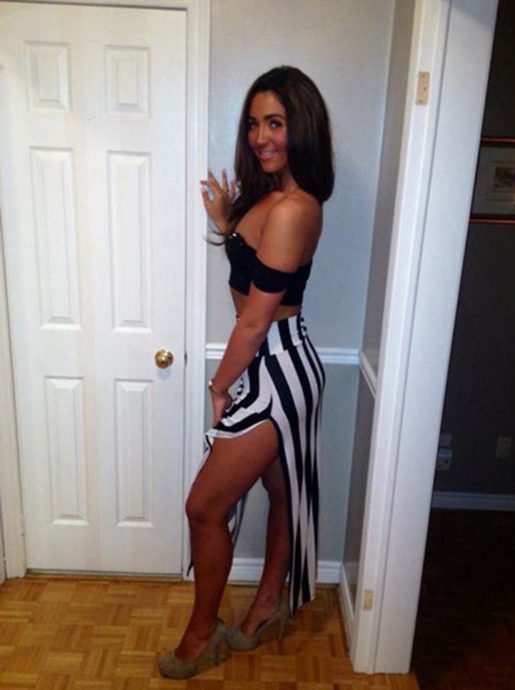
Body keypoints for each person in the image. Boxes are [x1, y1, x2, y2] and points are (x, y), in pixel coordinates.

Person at [158, 65, 334, 680]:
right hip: (272, 361)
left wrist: (219, 385)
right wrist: (226, 222)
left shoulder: (293, 208)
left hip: (276, 368)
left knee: (204, 507)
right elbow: (256, 266)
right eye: (255, 124)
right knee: (279, 493)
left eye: (276, 123)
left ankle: (203, 633)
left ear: (302, 127)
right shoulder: (272, 199)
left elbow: (256, 321)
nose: (261, 137)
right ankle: (266, 606)